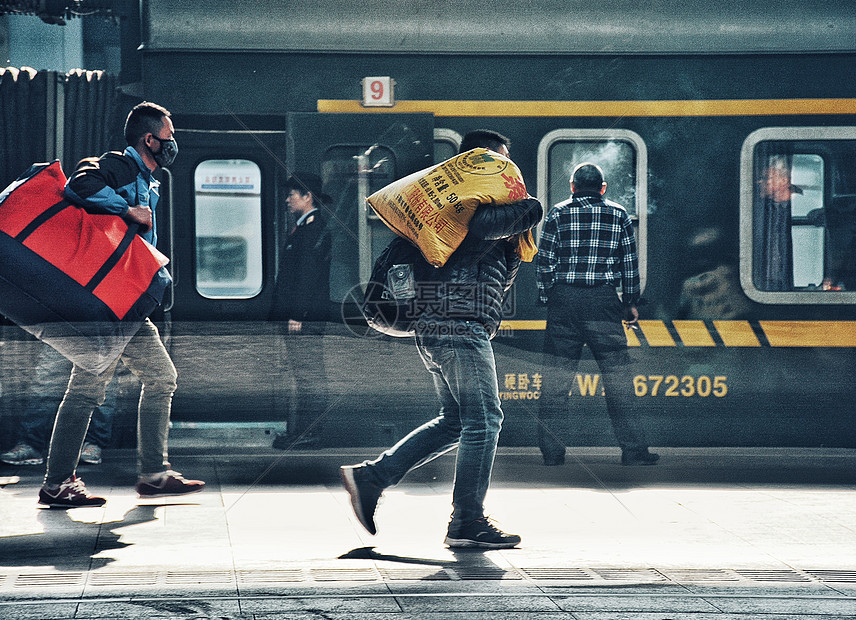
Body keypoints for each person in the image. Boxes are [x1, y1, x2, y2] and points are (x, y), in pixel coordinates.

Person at [341, 130, 542, 549]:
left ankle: (372, 478)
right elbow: (485, 226)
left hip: (444, 326)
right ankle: (467, 520)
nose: (507, 175)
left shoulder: (450, 211)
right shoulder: (468, 209)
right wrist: (530, 208)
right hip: (458, 324)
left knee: (457, 421)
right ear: (478, 165)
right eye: (499, 164)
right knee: (485, 421)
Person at [37, 101, 204, 508]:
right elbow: (80, 185)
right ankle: (63, 482)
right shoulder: (119, 165)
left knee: (155, 378)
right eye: (169, 137)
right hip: (109, 302)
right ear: (149, 139)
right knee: (88, 389)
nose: (172, 144)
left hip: (125, 300)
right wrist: (127, 209)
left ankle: (151, 473)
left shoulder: (149, 178)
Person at [535, 162, 658, 467]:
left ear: (573, 187)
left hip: (564, 301)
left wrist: (549, 295)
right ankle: (633, 451)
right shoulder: (618, 214)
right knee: (618, 382)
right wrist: (630, 302)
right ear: (603, 188)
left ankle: (552, 453)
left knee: (556, 383)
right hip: (603, 301)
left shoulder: (558, 213)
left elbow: (544, 261)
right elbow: (629, 263)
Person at [269, 172, 332, 450]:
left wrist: (298, 313)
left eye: (292, 194)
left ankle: (312, 433)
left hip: (305, 318)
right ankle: (304, 431)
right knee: (303, 374)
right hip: (302, 315)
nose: (287, 199)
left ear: (307, 197)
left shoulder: (313, 229)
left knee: (309, 375)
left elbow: (308, 276)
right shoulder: (305, 227)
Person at [0, 342, 118, 467]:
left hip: (101, 330)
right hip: (67, 326)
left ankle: (93, 443)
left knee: (102, 383)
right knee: (47, 381)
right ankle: (31, 443)